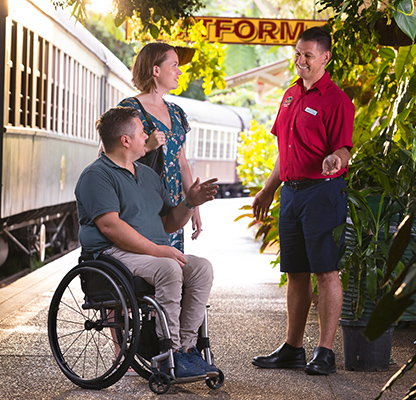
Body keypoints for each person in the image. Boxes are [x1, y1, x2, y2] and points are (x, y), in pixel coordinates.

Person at [75, 106, 220, 381]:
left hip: (149, 255)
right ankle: (170, 353)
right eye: (142, 132)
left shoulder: (148, 175)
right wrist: (158, 250)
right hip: (112, 253)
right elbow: (110, 226)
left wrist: (190, 202)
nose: (148, 136)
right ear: (125, 140)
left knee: (202, 268)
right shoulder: (96, 175)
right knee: (169, 267)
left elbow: (168, 222)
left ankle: (186, 350)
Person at [251, 27, 354, 376]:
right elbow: (284, 151)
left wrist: (336, 159)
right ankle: (293, 348)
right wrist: (269, 189)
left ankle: (324, 352)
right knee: (295, 272)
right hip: (291, 193)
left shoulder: (337, 100)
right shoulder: (290, 96)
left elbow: (344, 148)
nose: (300, 60)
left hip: (322, 193)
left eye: (308, 55)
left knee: (325, 271)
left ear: (325, 57)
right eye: (297, 53)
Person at [118, 42, 201, 253]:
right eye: (174, 65)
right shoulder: (129, 109)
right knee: (148, 268)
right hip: (142, 204)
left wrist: (193, 207)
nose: (179, 71)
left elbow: (182, 162)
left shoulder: (177, 112)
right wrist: (147, 147)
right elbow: (107, 156)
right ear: (156, 70)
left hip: (173, 207)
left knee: (172, 269)